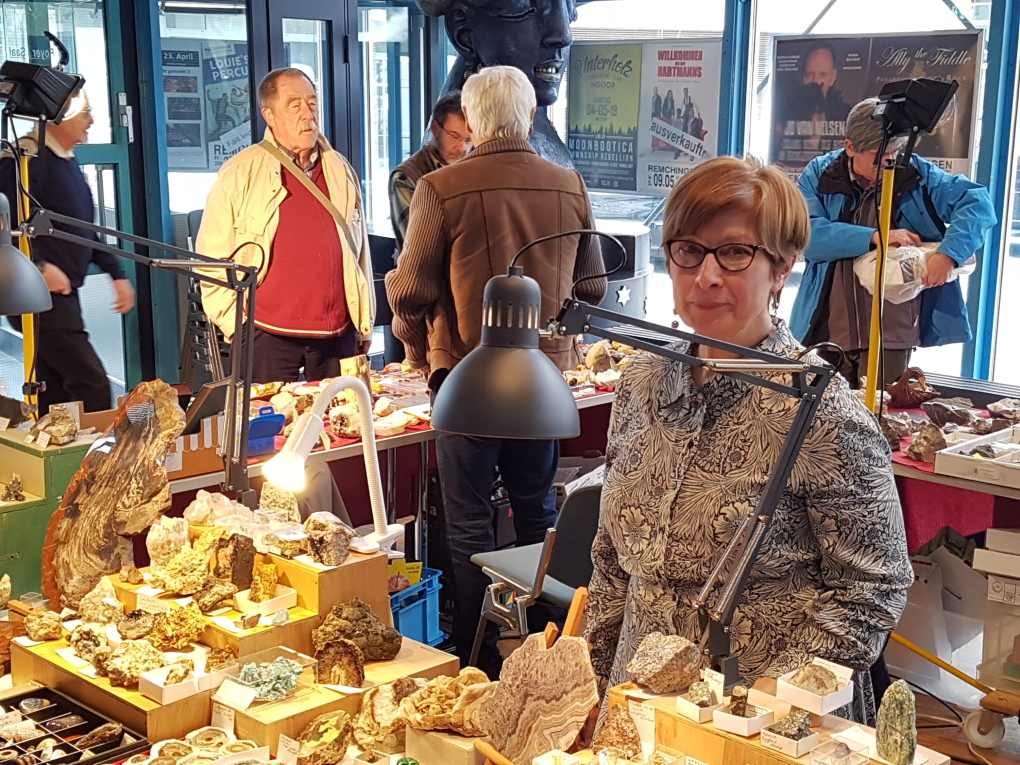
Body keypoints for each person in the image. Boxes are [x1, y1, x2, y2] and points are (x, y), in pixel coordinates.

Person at [584, 156, 913, 725]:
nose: (706, 276)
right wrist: (590, 690)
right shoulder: (641, 382)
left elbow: (873, 590)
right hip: (637, 705)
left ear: (782, 268)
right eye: (688, 250)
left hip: (765, 720)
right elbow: (613, 561)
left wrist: (767, 704)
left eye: (735, 253)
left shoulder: (822, 411)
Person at [386, 65, 606, 677]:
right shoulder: (568, 183)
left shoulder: (441, 187)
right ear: (530, 118)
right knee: (537, 511)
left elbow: (410, 288)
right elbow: (592, 284)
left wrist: (414, 347)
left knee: (469, 520)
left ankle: (476, 655)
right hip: (541, 385)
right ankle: (547, 646)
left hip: (466, 379)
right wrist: (554, 336)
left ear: (473, 122)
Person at [789, 98, 996, 387]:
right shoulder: (819, 174)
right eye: (879, 155)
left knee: (881, 409)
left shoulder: (917, 173)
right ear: (850, 147)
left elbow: (977, 204)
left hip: (893, 326)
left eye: (895, 152)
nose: (889, 161)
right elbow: (805, 235)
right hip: (829, 322)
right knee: (825, 407)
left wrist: (949, 255)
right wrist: (875, 237)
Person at [197, 67, 374, 384]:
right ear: (270, 115)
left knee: (343, 414)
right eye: (294, 105)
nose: (308, 114)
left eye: (312, 102)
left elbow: (359, 254)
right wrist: (236, 325)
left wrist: (363, 322)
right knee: (269, 416)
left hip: (338, 334)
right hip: (266, 334)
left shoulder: (340, 168)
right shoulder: (240, 171)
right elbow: (211, 259)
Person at [0, 91, 135, 413]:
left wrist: (116, 274)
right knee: (91, 384)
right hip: (38, 297)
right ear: (58, 118)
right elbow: (6, 227)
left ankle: (56, 444)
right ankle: (96, 446)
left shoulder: (65, 160)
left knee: (56, 391)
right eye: (84, 113)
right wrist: (38, 267)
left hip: (61, 296)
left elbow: (82, 228)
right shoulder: (25, 161)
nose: (91, 121)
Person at [417, 0, 576, 167]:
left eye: (570, 15)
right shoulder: (455, 155)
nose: (564, 36)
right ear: (465, 37)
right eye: (525, 11)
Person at [389, 91, 471, 254]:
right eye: (454, 136)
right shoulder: (406, 177)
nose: (463, 148)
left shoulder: (475, 168)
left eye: (468, 140)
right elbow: (420, 245)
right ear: (435, 128)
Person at [800, 43, 851, 122]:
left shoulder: (847, 115)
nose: (815, 81)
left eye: (823, 75)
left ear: (833, 77)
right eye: (808, 74)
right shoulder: (787, 112)